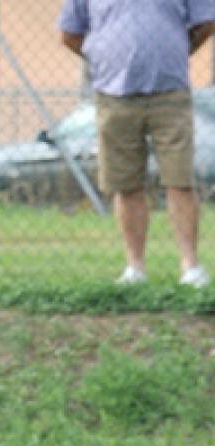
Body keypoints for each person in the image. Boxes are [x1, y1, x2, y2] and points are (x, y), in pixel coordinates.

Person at [59, 0, 215, 287]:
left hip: (170, 91)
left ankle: (190, 268)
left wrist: (178, 52)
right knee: (125, 183)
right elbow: (69, 33)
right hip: (113, 94)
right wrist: (103, 58)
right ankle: (135, 268)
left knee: (179, 180)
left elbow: (206, 22)